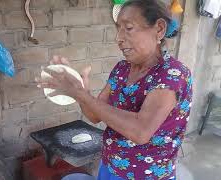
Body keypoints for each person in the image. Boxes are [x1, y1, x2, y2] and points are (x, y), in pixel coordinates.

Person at [36, 0, 193, 179]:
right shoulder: (122, 69)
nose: (118, 38)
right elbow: (95, 115)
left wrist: (81, 94)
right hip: (110, 167)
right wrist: (81, 91)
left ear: (159, 29)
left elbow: (140, 131)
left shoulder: (172, 74)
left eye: (128, 28)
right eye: (118, 28)